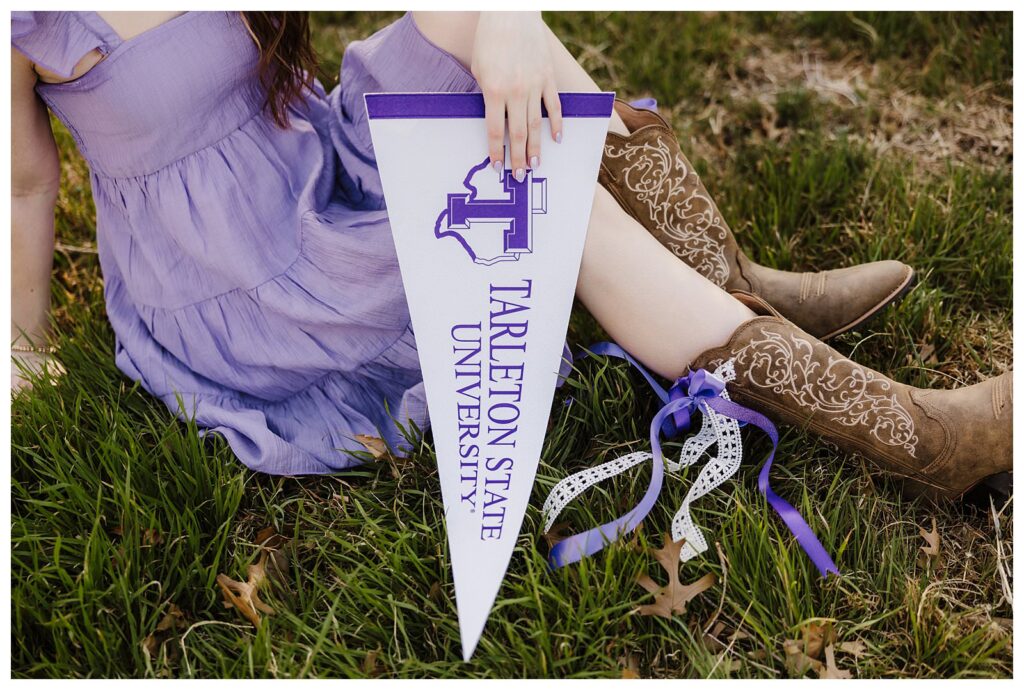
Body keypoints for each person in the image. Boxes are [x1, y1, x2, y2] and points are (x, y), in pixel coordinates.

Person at [11, 11, 1011, 500]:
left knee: (489, 34)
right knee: (552, 203)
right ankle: (916, 438)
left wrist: (503, 21)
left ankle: (728, 289)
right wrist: (23, 343)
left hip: (320, 165)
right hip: (247, 274)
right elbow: (22, 182)